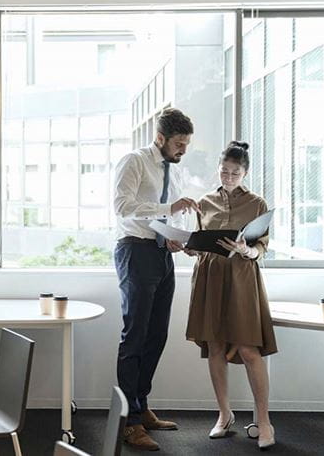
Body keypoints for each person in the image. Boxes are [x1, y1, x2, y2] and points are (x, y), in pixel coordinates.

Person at [113, 107, 201, 451]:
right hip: (135, 252)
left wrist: (177, 239)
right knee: (134, 335)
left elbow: (163, 216)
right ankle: (129, 421)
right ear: (161, 138)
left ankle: (141, 406)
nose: (183, 150)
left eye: (187, 144)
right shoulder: (134, 161)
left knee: (157, 335)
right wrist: (169, 209)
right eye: (179, 143)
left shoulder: (173, 170)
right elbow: (123, 206)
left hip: (162, 254)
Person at [184, 141, 277, 450]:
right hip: (209, 277)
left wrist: (246, 249)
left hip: (241, 279)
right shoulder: (204, 201)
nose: (228, 177)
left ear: (245, 172)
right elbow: (198, 244)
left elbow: (260, 248)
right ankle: (224, 414)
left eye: (235, 173)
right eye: (224, 171)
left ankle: (264, 421)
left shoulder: (257, 203)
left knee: (250, 351)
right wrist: (190, 247)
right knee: (215, 348)